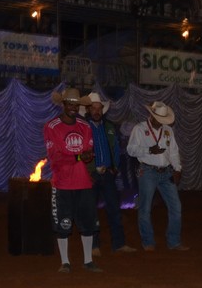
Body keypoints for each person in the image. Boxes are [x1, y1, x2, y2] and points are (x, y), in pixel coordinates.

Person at [43, 87, 103, 273]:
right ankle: (65, 262)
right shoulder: (51, 127)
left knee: (87, 223)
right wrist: (78, 157)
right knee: (63, 224)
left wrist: (82, 156)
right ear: (63, 104)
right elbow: (56, 156)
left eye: (76, 105)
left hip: (83, 181)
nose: (73, 107)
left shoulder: (85, 126)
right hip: (62, 183)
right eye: (70, 103)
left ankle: (87, 260)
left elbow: (87, 152)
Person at [125, 101, 188, 251]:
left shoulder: (167, 131)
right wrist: (149, 150)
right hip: (147, 171)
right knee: (145, 208)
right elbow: (131, 150)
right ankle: (148, 242)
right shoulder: (139, 129)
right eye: (159, 120)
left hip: (166, 171)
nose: (161, 123)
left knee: (176, 207)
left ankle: (174, 241)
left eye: (163, 120)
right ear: (151, 116)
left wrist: (178, 169)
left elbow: (173, 151)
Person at [84, 92, 136, 255]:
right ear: (88, 110)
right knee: (90, 211)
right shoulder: (82, 126)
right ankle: (93, 246)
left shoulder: (109, 126)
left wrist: (114, 167)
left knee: (114, 209)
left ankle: (118, 244)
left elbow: (115, 148)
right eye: (93, 108)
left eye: (99, 108)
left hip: (107, 173)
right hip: (90, 174)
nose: (96, 111)